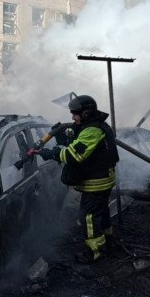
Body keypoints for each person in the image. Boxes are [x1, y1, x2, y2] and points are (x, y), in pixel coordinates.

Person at [35, 95, 119, 262]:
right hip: (102, 178)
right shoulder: (91, 126)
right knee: (101, 212)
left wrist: (50, 153)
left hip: (97, 182)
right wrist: (64, 137)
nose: (72, 117)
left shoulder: (93, 130)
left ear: (86, 113)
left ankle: (95, 252)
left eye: (76, 113)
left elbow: (74, 155)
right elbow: (79, 142)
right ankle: (107, 242)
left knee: (88, 217)